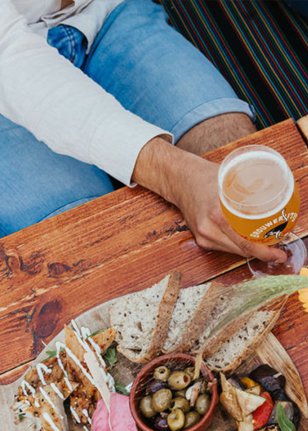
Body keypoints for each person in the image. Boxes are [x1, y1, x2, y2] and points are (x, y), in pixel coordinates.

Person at [0, 0, 283, 261]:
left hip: (105, 11)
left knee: (243, 173)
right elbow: (10, 60)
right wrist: (176, 176)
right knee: (88, 253)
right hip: (6, 70)